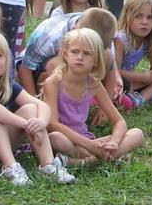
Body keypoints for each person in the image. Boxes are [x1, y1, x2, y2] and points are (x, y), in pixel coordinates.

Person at [0, 30, 74, 186]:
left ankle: (49, 165)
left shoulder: (6, 85)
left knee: (30, 109)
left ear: (7, 60)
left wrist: (39, 122)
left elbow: (42, 105)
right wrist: (25, 124)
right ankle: (10, 167)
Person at [43, 29, 143, 167]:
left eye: (86, 53)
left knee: (137, 134)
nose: (79, 57)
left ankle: (84, 162)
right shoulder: (53, 82)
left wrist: (114, 142)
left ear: (95, 60)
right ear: (65, 54)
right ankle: (111, 157)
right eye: (75, 51)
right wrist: (91, 145)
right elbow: (52, 125)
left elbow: (119, 121)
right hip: (67, 140)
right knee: (55, 138)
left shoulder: (94, 84)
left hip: (88, 141)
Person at [17, 7, 119, 96]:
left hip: (74, 73)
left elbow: (111, 68)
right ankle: (51, 97)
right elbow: (25, 69)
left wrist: (104, 108)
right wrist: (34, 102)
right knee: (55, 64)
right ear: (75, 28)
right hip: (36, 70)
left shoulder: (105, 34)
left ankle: (81, 95)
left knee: (107, 55)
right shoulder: (50, 35)